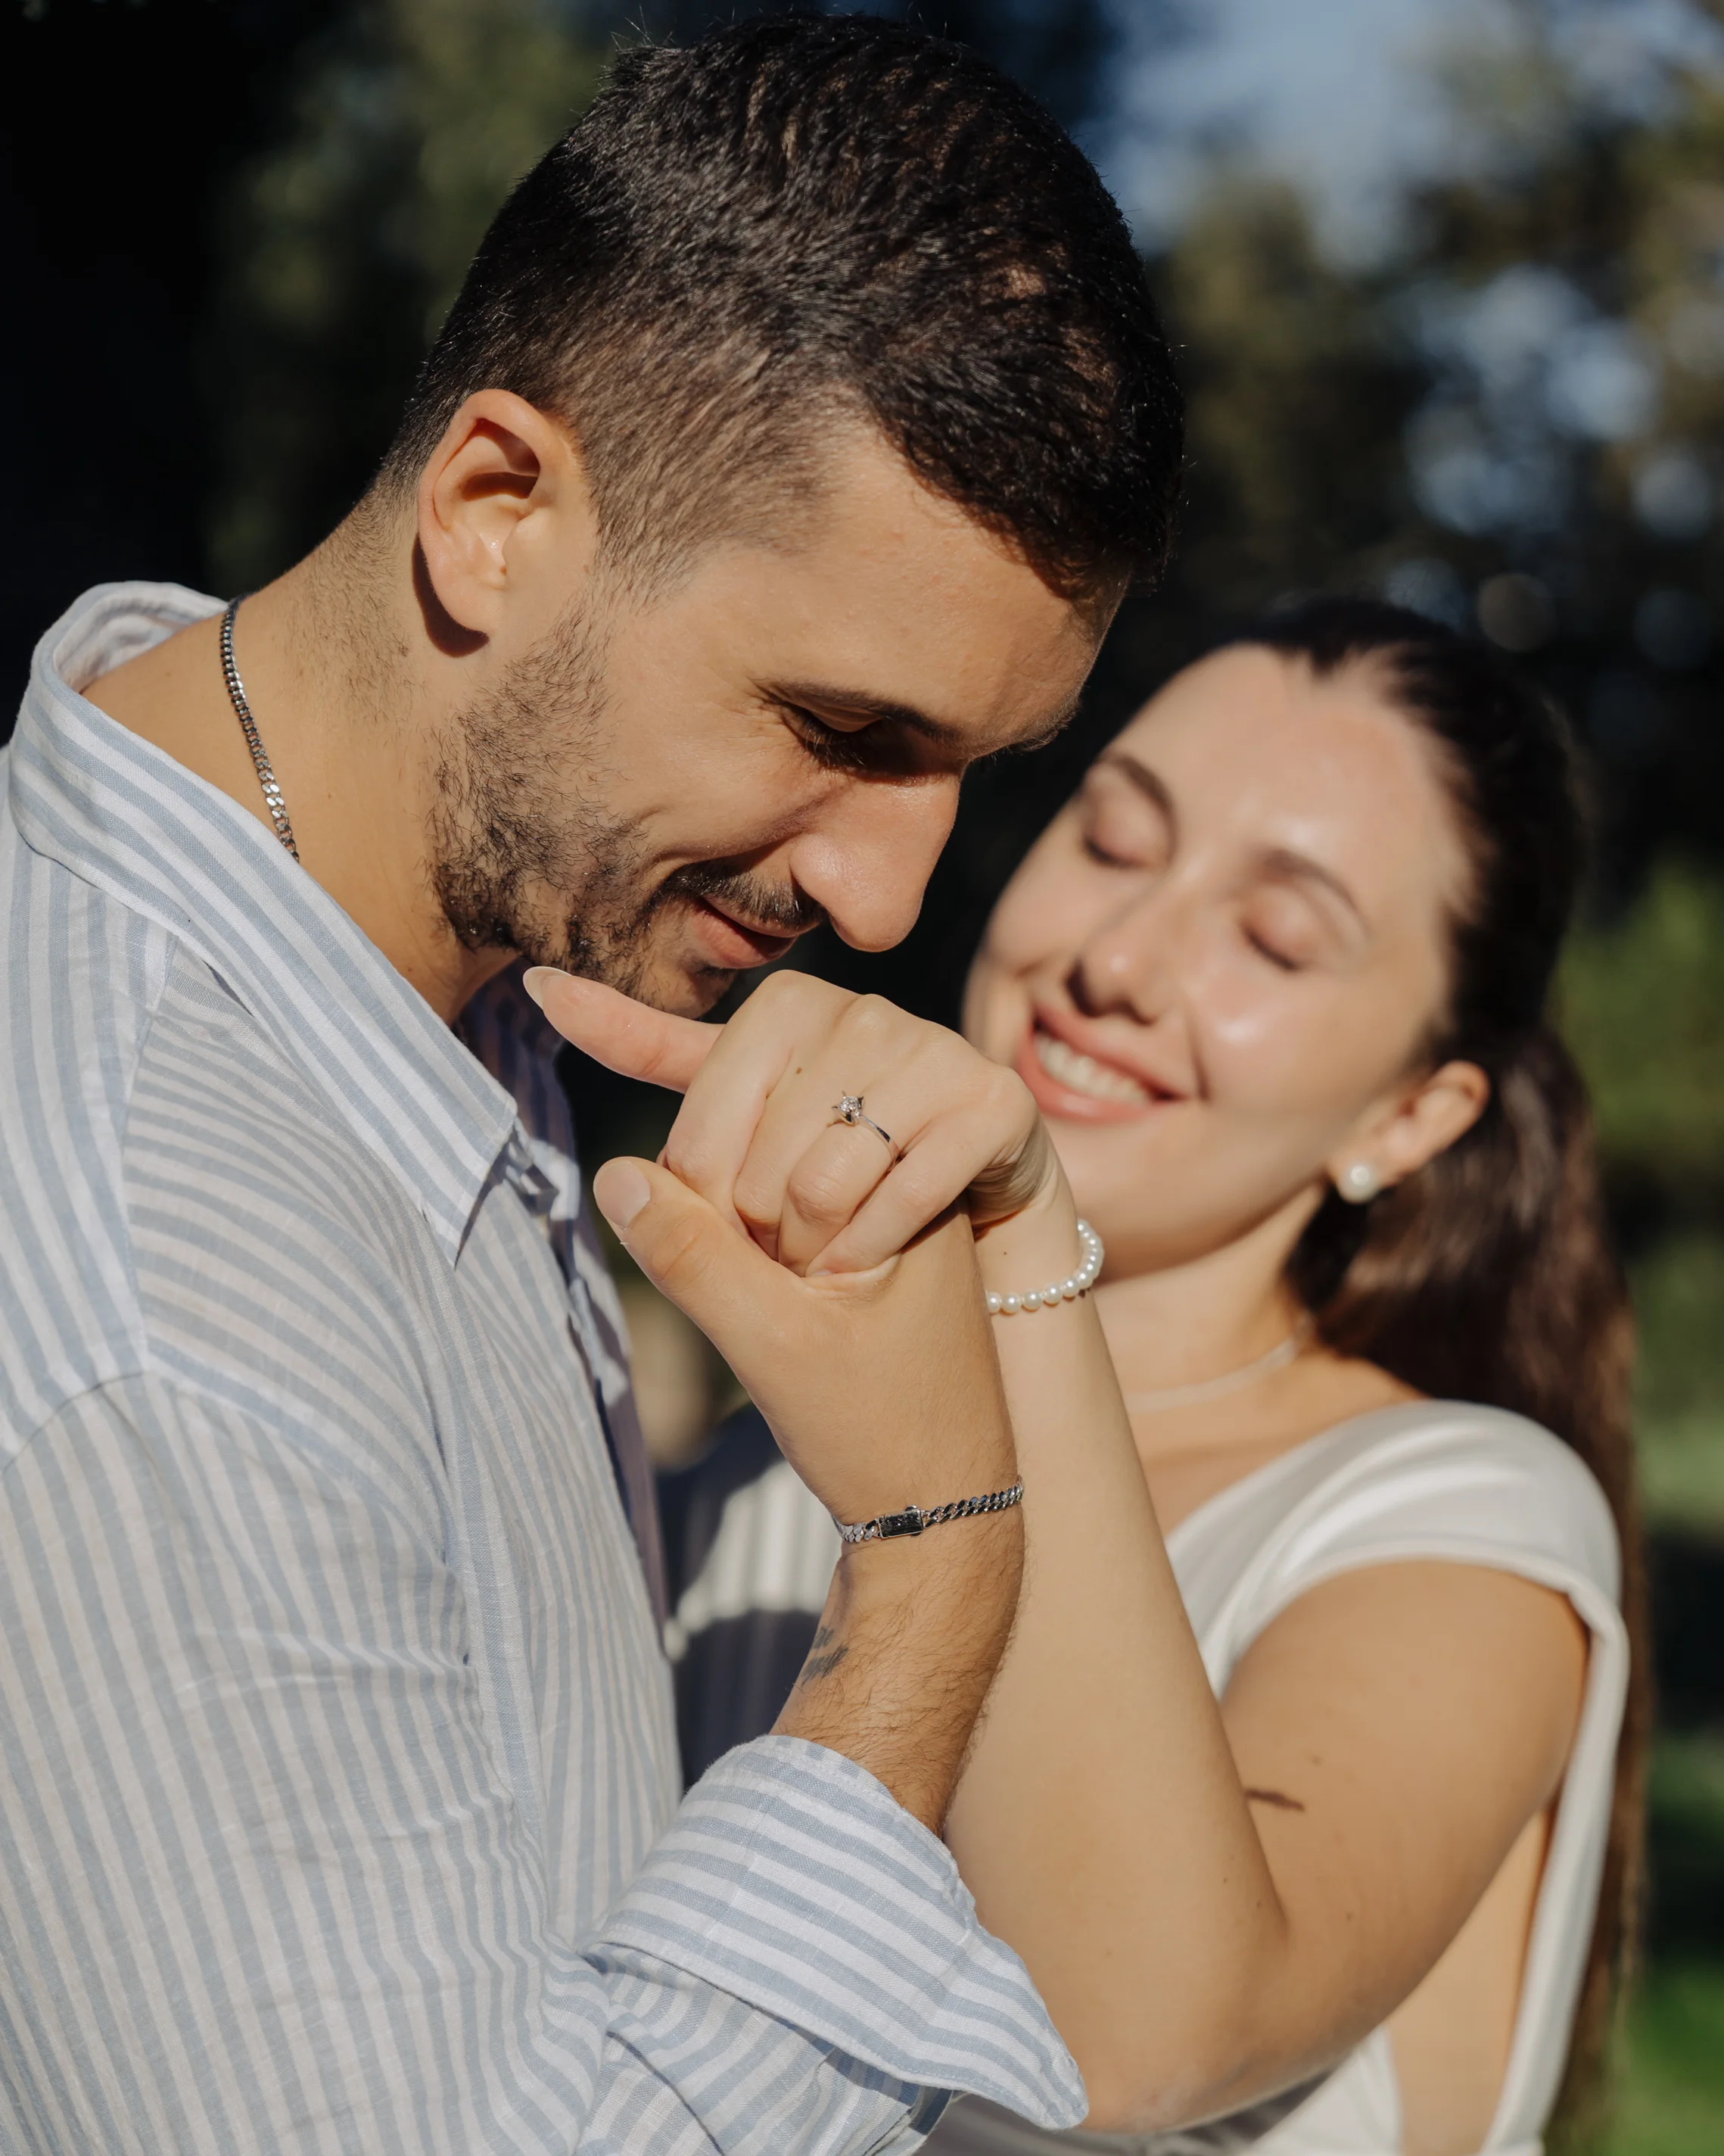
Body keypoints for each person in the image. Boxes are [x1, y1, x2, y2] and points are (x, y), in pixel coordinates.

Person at [0, 17, 1184, 2154]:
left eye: (962, 776)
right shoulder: (159, 1285)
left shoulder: (455, 970)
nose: (892, 896)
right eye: (840, 728)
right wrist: (928, 1564)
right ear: (495, 508)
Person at [556, 600, 1642, 2156]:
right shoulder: (764, 1465)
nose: (1115, 959)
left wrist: (1014, 1233)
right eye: (1114, 842)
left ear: (1408, 1116)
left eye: (1273, 937)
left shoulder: (1458, 1517)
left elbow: (1125, 2040)